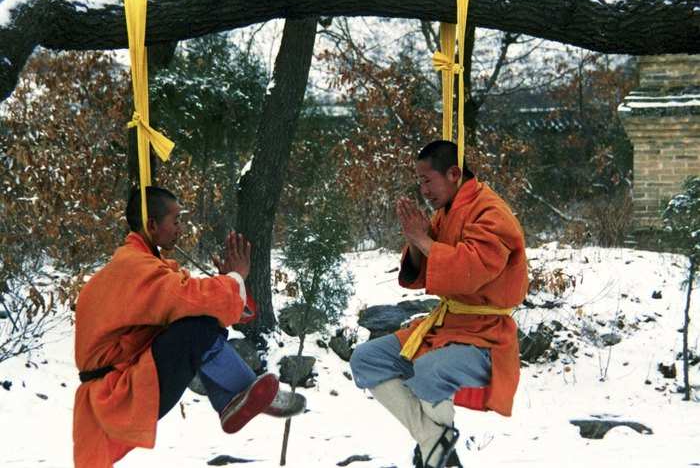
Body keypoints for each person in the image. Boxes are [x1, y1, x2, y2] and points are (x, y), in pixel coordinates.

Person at [73, 186, 303, 468]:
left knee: (201, 322)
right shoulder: (133, 268)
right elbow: (191, 297)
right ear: (152, 225)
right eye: (176, 220)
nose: (181, 228)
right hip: (117, 392)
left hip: (127, 380)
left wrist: (227, 283)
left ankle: (236, 398)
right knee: (197, 328)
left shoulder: (143, 265)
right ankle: (242, 393)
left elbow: (196, 299)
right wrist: (235, 276)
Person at [350, 140, 528, 468]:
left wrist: (421, 239)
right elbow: (420, 273)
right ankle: (435, 441)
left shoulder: (491, 213)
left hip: (486, 338)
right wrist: (415, 239)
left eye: (427, 180)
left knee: (428, 371)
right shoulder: (448, 211)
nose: (423, 190)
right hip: (445, 328)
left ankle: (434, 452)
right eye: (419, 182)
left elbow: (469, 270)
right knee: (365, 359)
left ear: (454, 173)